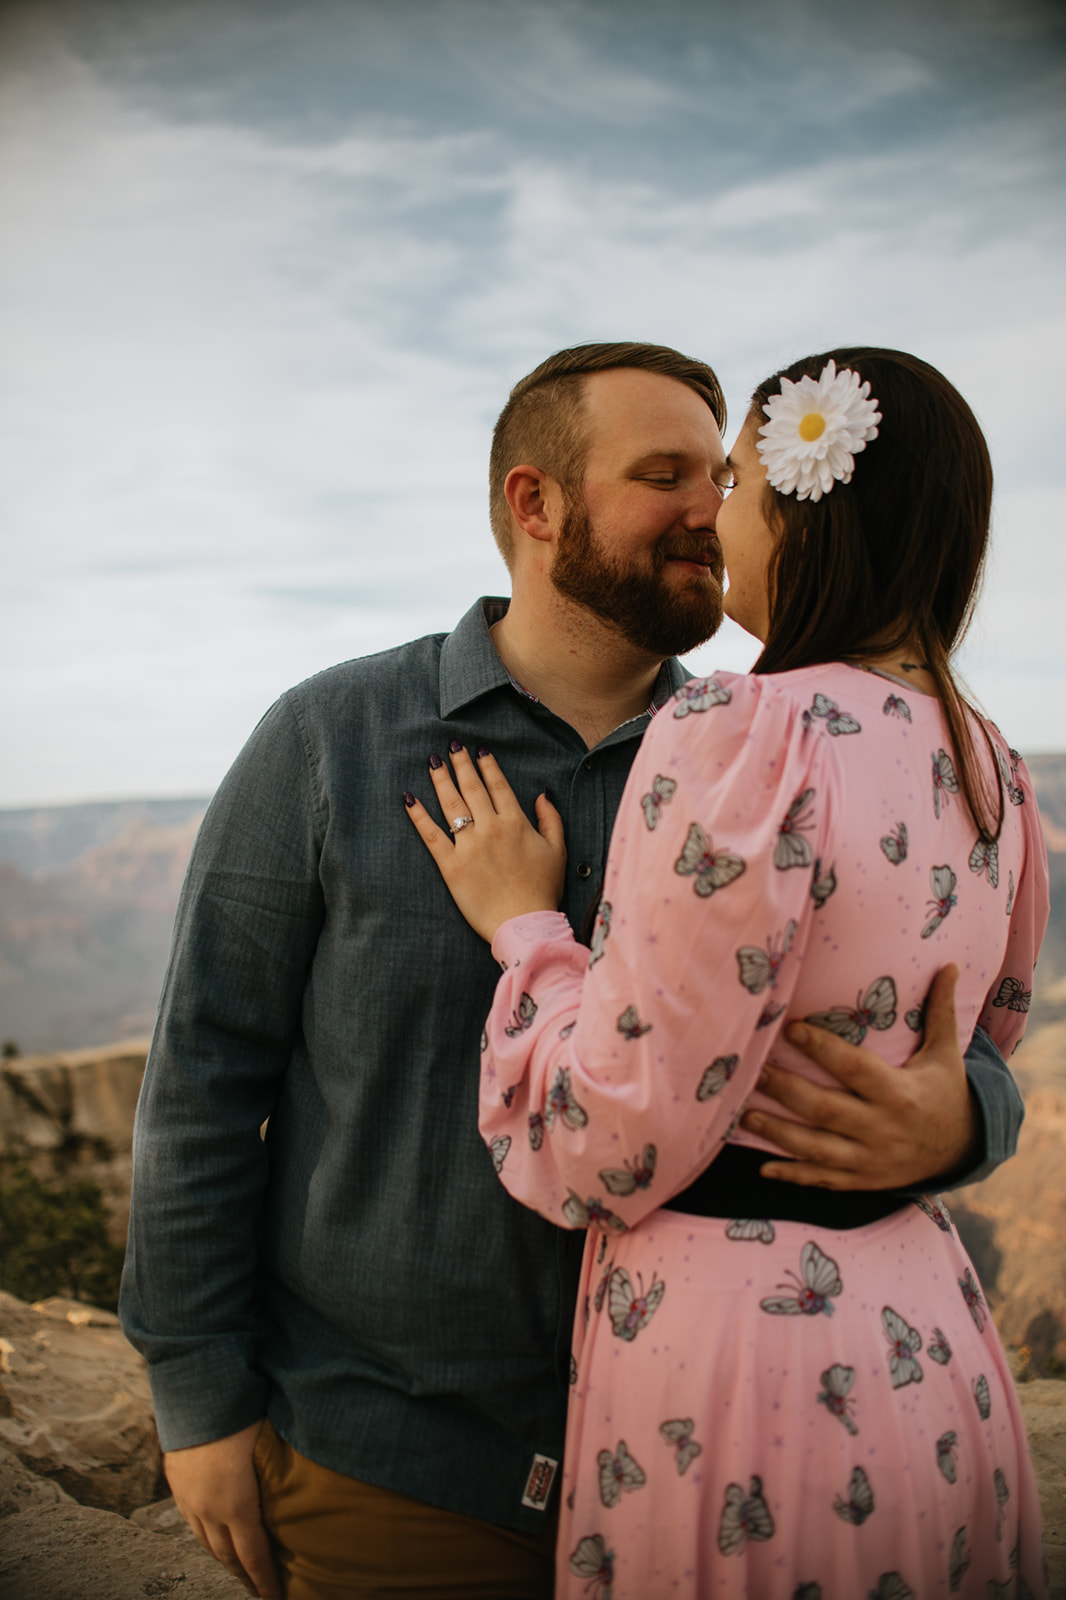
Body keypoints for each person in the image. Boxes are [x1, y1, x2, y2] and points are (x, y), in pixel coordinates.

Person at [121, 343, 1024, 1600]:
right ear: (533, 505)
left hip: (725, 1457)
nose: (710, 506)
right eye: (664, 475)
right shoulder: (331, 739)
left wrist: (965, 1117)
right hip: (403, 1468)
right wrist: (199, 1396)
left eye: (723, 473)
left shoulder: (765, 751)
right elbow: (203, 1078)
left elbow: (935, 1020)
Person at [407, 346, 1051, 1598]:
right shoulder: (993, 768)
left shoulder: (741, 735)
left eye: (743, 480)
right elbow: (987, 1034)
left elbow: (617, 1133)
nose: (716, 511)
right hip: (927, 1334)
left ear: (813, 512)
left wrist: (526, 932)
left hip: (745, 1368)